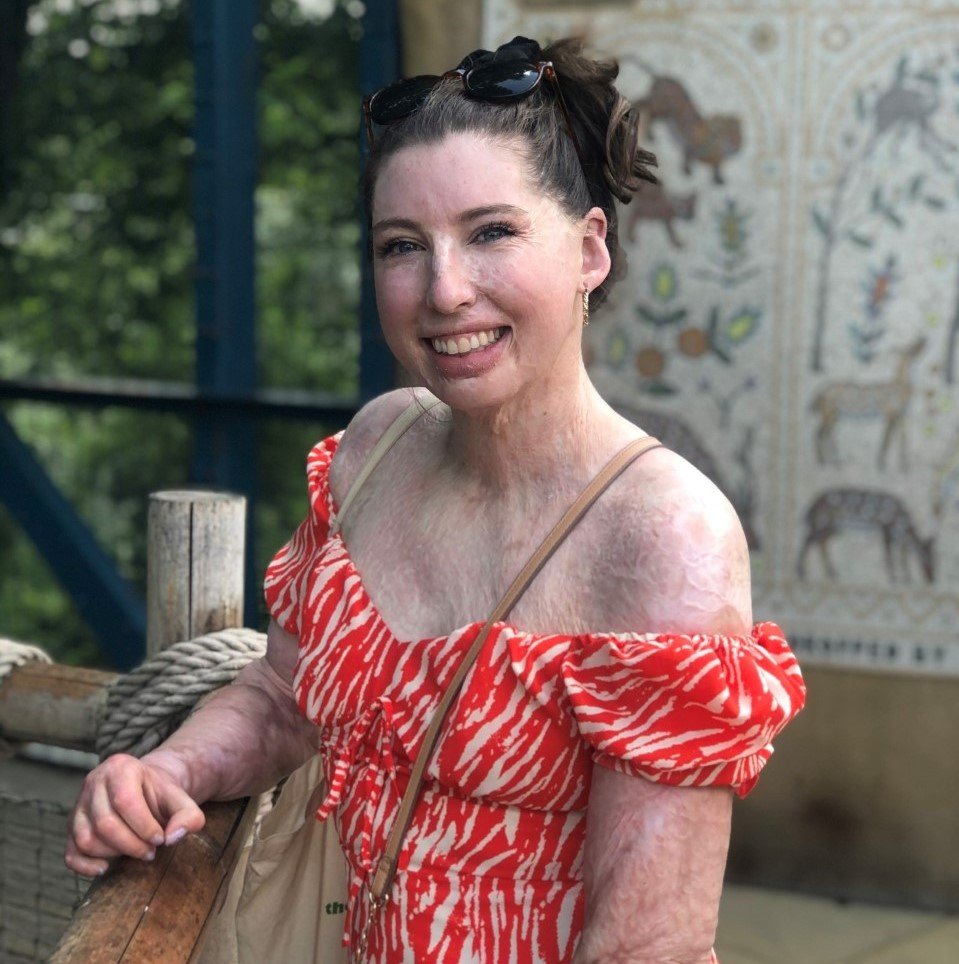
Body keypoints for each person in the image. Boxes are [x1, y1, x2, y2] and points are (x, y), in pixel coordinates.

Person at [66, 35, 806, 963]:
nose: (444, 290)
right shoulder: (375, 447)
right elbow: (285, 697)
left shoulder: (665, 537)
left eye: (491, 232)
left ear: (587, 250)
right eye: (401, 246)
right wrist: (166, 770)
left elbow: (642, 947)